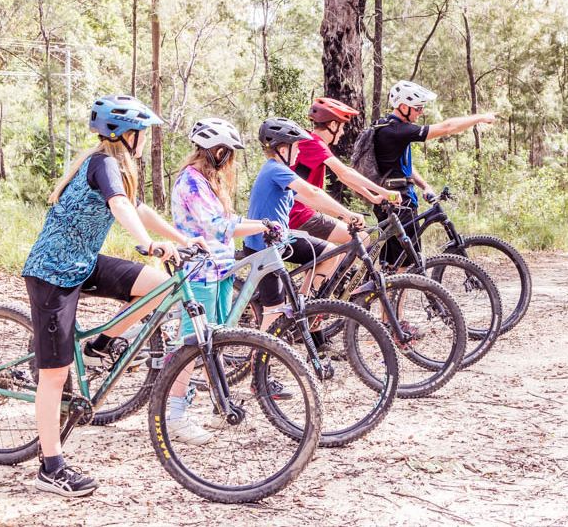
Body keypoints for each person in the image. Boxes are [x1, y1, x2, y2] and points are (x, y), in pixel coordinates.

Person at [21, 94, 205, 497]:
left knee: (158, 287)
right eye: (143, 133)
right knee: (54, 375)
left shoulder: (117, 166)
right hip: (52, 273)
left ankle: (100, 345)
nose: (147, 140)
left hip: (83, 263)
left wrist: (184, 238)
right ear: (125, 135)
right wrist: (146, 245)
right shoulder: (103, 163)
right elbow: (120, 206)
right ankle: (50, 468)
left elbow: (142, 211)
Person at [168, 117, 282, 445]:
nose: (230, 158)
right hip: (199, 273)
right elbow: (219, 225)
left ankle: (221, 406)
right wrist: (260, 225)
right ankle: (175, 416)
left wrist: (259, 224)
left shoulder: (209, 180)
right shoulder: (190, 182)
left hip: (219, 270)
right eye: (228, 152)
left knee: (212, 344)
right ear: (215, 151)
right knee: (190, 346)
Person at [244, 117, 366, 332]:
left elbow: (307, 199)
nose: (300, 151)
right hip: (264, 248)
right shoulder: (275, 169)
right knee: (273, 313)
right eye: (297, 147)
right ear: (282, 148)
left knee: (330, 253)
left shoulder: (278, 171)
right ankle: (259, 361)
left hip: (278, 241)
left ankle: (303, 307)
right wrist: (347, 214)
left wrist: (341, 215)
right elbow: (313, 191)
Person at [371, 80, 496, 268]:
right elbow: (447, 128)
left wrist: (424, 185)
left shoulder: (386, 126)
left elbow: (402, 165)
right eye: (418, 107)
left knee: (394, 264)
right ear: (403, 106)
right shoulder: (397, 130)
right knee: (406, 267)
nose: (421, 112)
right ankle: (386, 297)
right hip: (399, 203)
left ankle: (384, 296)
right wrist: (480, 118)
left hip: (392, 200)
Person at [289, 97, 397, 244]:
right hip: (299, 214)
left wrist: (373, 197)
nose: (342, 133)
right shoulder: (314, 143)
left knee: (333, 254)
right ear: (333, 125)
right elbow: (345, 173)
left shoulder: (310, 140)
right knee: (362, 239)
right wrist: (385, 192)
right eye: (342, 127)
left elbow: (344, 176)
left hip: (299, 211)